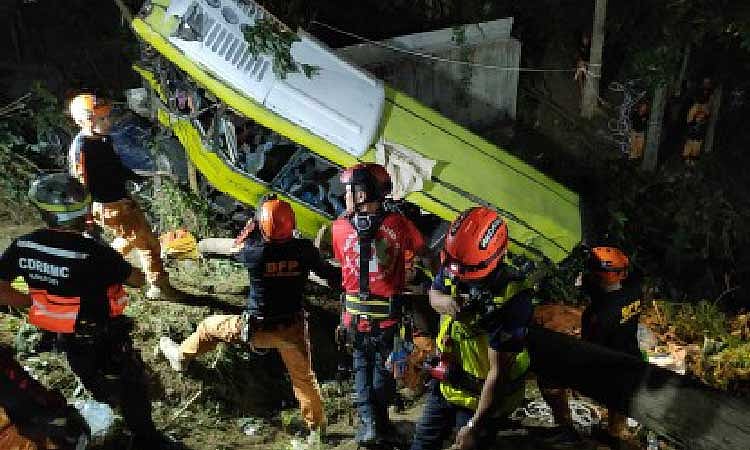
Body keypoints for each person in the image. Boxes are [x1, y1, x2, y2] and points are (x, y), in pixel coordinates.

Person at [0, 173, 179, 449]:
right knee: (132, 384)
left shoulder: (23, 246)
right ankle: (146, 439)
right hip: (103, 335)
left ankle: (107, 417)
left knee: (91, 378)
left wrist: (31, 302)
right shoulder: (92, 251)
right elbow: (136, 280)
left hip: (65, 335)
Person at [158, 195, 340, 437]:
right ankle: (317, 427)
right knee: (304, 378)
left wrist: (254, 221)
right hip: (293, 329)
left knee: (208, 327)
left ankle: (181, 357)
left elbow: (237, 244)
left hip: (259, 330)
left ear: (261, 226)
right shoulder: (304, 250)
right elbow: (328, 273)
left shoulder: (254, 253)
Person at [410, 206, 533, 450]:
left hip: (482, 398)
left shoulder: (512, 300)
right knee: (423, 441)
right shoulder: (457, 262)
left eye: (468, 272)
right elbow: (435, 293)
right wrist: (446, 303)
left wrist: (474, 427)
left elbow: (498, 374)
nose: (460, 278)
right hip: (448, 383)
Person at [332, 163, 425, 447]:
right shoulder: (398, 224)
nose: (344, 196)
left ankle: (370, 424)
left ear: (360, 194)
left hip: (354, 319)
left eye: (348, 191)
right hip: (387, 318)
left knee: (361, 366)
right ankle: (379, 425)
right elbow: (421, 252)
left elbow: (343, 262)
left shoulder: (338, 227)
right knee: (384, 368)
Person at [68, 93, 179, 300]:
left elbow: (117, 168)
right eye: (101, 119)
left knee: (129, 240)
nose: (107, 122)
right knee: (148, 245)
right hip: (109, 207)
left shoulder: (104, 139)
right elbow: (81, 186)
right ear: (85, 120)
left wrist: (143, 176)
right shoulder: (82, 148)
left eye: (107, 117)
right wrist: (87, 219)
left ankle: (99, 268)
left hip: (122, 201)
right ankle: (159, 286)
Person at [542, 246, 642, 448]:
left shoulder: (598, 315)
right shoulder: (634, 293)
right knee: (621, 386)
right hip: (632, 359)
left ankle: (565, 428)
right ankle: (614, 431)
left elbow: (589, 349)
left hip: (605, 369)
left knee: (548, 377)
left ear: (597, 278)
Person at [682, 93, 710, 165]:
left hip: (699, 130)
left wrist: (703, 118)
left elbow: (707, 116)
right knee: (690, 143)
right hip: (692, 129)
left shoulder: (705, 107)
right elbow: (689, 120)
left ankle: (693, 160)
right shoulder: (695, 107)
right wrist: (695, 120)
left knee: (697, 145)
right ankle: (687, 159)